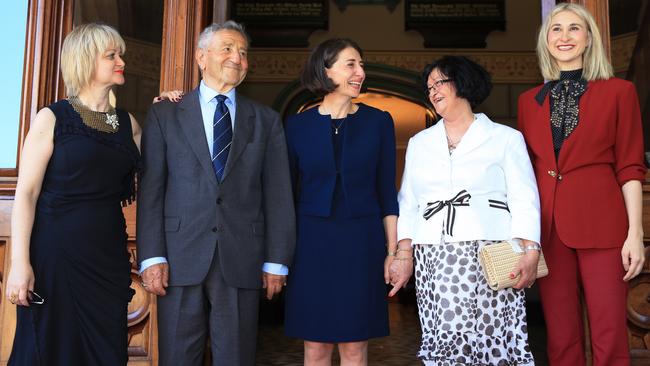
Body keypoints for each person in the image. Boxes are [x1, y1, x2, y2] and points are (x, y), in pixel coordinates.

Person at [136, 20, 295, 366]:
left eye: (242, 52)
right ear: (200, 57)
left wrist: (277, 259)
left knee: (236, 358)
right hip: (177, 258)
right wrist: (151, 256)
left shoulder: (265, 120)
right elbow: (152, 190)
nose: (237, 58)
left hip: (242, 257)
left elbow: (278, 195)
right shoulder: (165, 114)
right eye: (227, 49)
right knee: (177, 357)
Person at [518, 3, 646, 365]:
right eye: (556, 29)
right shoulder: (529, 102)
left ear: (589, 38)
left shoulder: (620, 92)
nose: (565, 36)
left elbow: (630, 168)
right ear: (546, 39)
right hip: (549, 229)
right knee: (560, 336)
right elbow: (525, 172)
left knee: (609, 332)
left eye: (575, 28)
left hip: (604, 226)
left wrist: (634, 233)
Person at [4, 23, 140, 365]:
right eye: (111, 55)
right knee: (50, 348)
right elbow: (27, 194)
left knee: (106, 353)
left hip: (107, 260)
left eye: (119, 53)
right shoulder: (51, 118)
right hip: (55, 258)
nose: (121, 60)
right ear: (85, 61)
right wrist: (19, 263)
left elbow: (164, 162)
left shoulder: (129, 124)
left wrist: (172, 108)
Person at [397, 55, 541, 365]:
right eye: (429, 86)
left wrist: (531, 250)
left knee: (494, 338)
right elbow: (408, 202)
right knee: (446, 339)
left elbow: (524, 197)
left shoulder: (505, 138)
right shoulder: (420, 143)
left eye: (440, 82)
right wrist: (403, 254)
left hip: (491, 251)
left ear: (463, 82)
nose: (433, 90)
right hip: (436, 256)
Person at [283, 38, 409, 366]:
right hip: (311, 245)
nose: (360, 72)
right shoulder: (296, 126)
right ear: (326, 71)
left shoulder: (378, 122)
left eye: (362, 64)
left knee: (355, 346)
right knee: (316, 347)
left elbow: (387, 193)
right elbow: (284, 194)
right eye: (351, 64)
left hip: (362, 244)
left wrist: (392, 253)